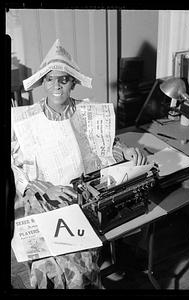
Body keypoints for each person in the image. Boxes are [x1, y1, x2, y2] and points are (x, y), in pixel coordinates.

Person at [11, 39, 147, 289]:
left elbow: (107, 144)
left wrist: (126, 150)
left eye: (63, 80)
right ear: (43, 83)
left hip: (80, 197)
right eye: (50, 79)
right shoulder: (25, 120)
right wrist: (37, 186)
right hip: (43, 199)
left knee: (78, 273)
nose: (56, 86)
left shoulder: (87, 113)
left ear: (73, 82)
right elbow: (14, 164)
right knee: (45, 267)